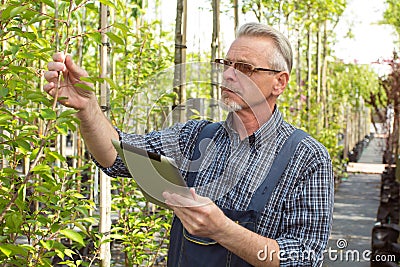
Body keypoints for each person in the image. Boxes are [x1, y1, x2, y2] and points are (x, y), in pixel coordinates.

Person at [44, 22, 334, 266]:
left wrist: (223, 230)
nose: (229, 74)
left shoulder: (307, 158)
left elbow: (305, 256)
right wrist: (87, 107)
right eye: (226, 64)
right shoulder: (194, 137)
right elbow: (118, 156)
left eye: (244, 67)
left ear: (279, 83)